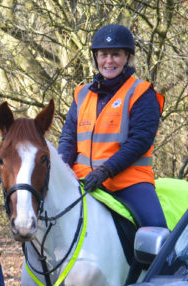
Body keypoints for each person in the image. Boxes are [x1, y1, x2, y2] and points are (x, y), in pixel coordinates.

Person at [57, 24, 166, 227]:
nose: (109, 61)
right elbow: (68, 138)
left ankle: (166, 259)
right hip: (81, 179)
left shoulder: (141, 92)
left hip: (128, 181)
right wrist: (61, 169)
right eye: (103, 55)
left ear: (128, 58)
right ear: (96, 58)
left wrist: (105, 171)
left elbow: (140, 141)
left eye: (115, 54)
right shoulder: (81, 93)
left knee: (155, 229)